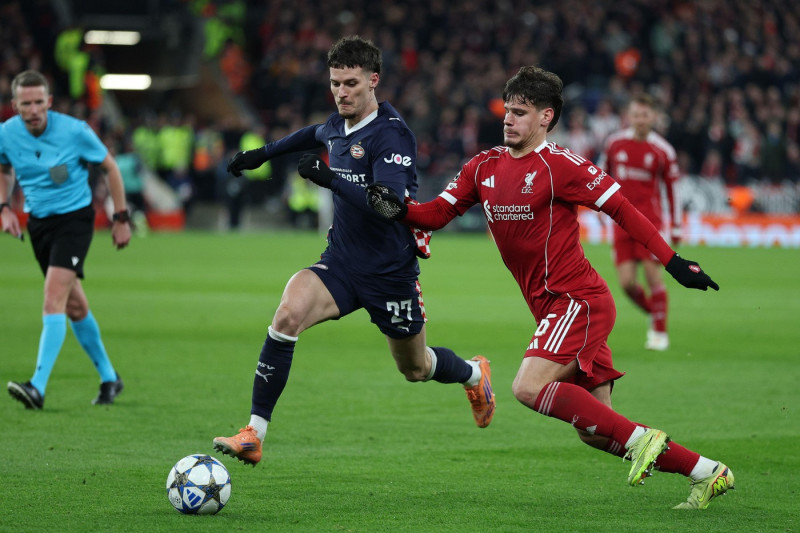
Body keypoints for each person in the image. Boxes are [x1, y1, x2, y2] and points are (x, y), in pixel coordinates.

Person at [366, 66, 733, 510]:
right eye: (507, 110)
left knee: (527, 386)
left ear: (546, 117)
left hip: (578, 301)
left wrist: (672, 261)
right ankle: (708, 472)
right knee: (595, 430)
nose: (508, 119)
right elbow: (435, 214)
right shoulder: (482, 167)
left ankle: (643, 440)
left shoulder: (561, 166)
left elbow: (622, 208)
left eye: (520, 113)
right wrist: (397, 208)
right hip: (553, 310)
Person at [212, 36, 495, 466]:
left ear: (373, 80)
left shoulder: (392, 136)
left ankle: (474, 374)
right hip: (341, 263)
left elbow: (388, 206)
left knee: (415, 368)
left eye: (350, 83)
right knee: (287, 316)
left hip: (390, 272)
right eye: (335, 83)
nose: (341, 93)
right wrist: (262, 155)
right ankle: (254, 433)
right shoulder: (337, 125)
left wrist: (330, 179)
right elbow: (313, 133)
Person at [1, 70, 131, 409]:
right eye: (25, 104)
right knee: (74, 306)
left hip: (74, 221)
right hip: (39, 225)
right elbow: (4, 169)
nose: (33, 110)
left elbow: (110, 167)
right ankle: (109, 378)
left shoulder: (74, 131)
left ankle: (37, 387)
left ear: (49, 102)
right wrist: (4, 207)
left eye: (38, 102)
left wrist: (121, 218)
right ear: (14, 105)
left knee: (52, 298)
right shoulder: (6, 134)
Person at [598, 94, 681, 351]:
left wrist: (676, 224)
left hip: (649, 222)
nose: (640, 120)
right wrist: (597, 206)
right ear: (629, 116)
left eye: (645, 115)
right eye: (636, 114)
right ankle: (655, 313)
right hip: (621, 221)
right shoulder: (614, 144)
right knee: (626, 283)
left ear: (653, 117)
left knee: (653, 276)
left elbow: (673, 190)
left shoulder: (663, 150)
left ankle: (659, 333)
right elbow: (600, 175)